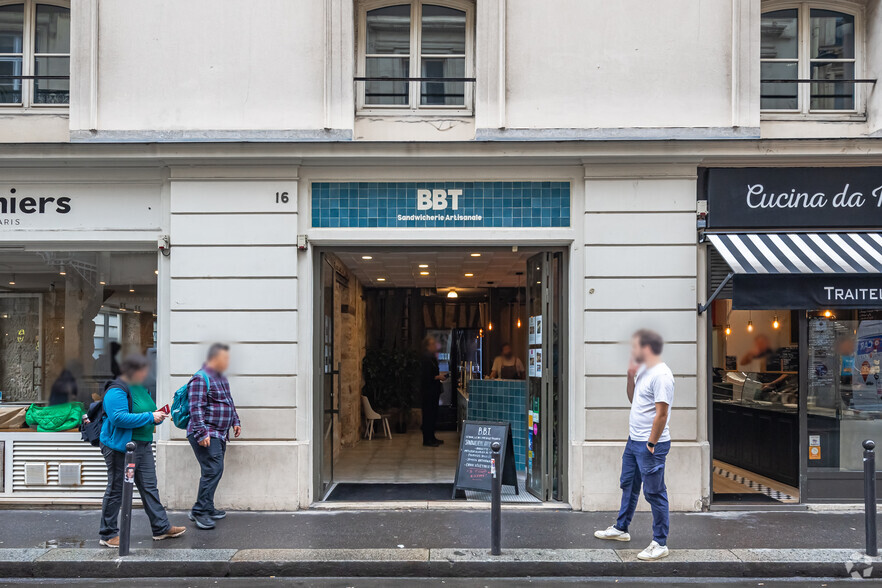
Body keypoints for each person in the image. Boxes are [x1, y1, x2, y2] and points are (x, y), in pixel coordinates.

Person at [594, 329, 674, 561]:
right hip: (634, 441)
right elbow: (633, 400)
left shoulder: (662, 375)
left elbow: (661, 414)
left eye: (635, 347)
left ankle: (660, 543)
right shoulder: (643, 371)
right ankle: (621, 528)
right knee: (629, 484)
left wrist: (651, 443)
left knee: (655, 493)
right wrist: (630, 376)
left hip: (650, 445)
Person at [98, 354, 185, 548]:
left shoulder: (141, 388)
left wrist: (157, 416)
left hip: (143, 445)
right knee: (116, 489)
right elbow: (118, 418)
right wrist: (149, 416)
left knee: (149, 487)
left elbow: (146, 413)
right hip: (121, 447)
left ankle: (161, 528)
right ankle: (108, 534)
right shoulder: (116, 389)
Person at [187, 343, 241, 530]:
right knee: (213, 470)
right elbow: (195, 408)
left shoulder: (221, 378)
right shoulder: (200, 378)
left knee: (213, 471)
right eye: (224, 358)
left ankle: (206, 507)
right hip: (207, 433)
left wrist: (235, 420)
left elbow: (229, 402)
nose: (227, 362)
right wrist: (202, 433)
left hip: (219, 433)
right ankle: (200, 511)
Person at [419, 335, 447, 447]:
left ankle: (432, 437)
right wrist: (438, 377)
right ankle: (427, 439)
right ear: (427, 346)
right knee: (428, 415)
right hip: (428, 392)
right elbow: (426, 377)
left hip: (433, 391)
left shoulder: (431, 357)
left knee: (433, 415)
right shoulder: (426, 358)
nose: (435, 346)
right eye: (432, 344)